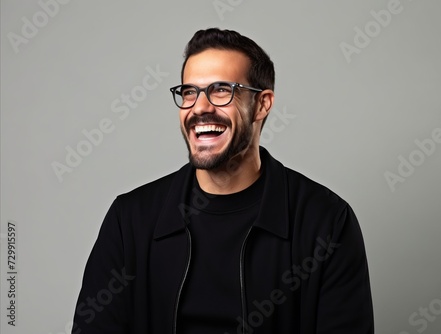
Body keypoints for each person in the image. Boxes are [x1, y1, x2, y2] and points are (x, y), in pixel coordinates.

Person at [72, 28, 374, 334]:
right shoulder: (131, 221)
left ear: (262, 105)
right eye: (189, 92)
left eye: (220, 90)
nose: (199, 108)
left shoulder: (326, 222)